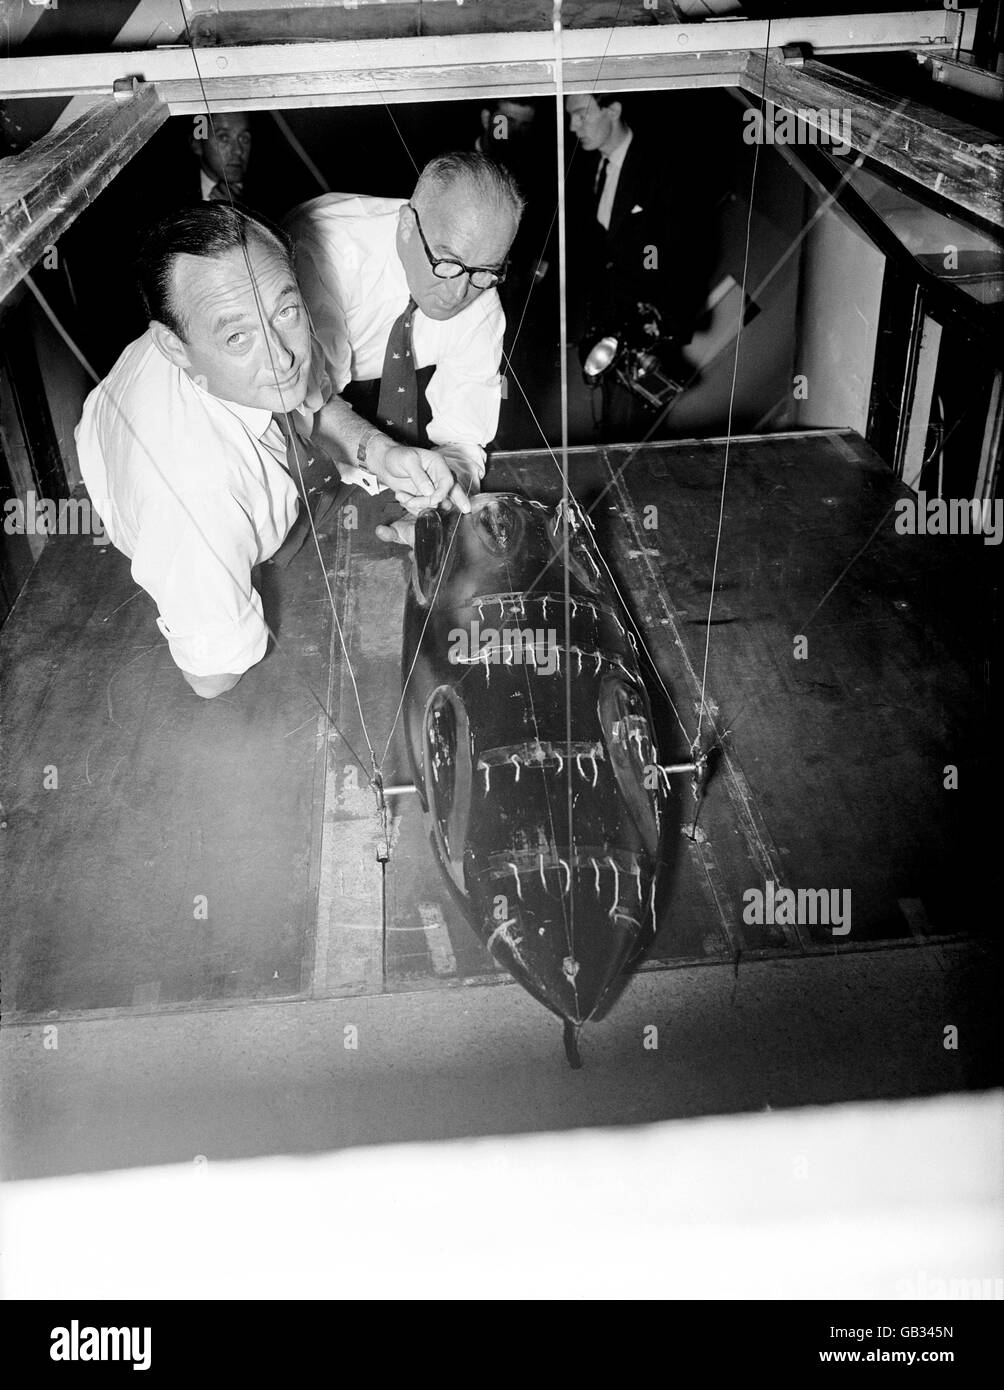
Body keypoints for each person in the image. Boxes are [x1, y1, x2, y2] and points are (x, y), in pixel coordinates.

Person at [75, 203, 456, 699]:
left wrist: (383, 455)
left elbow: (309, 399)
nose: (281, 356)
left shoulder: (225, 335)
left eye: (286, 310)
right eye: (238, 336)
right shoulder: (199, 500)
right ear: (173, 348)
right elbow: (211, 678)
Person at [285, 151, 524, 537]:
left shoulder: (482, 300)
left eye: (485, 272)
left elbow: (464, 434)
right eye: (446, 261)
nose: (458, 292)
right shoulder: (322, 251)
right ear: (407, 226)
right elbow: (301, 402)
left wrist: (445, 499)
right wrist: (379, 453)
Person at [565, 93, 712, 441]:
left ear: (613, 110)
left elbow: (693, 253)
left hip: (644, 340)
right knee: (611, 425)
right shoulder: (589, 166)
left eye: (581, 115)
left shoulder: (663, 167)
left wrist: (662, 325)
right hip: (603, 328)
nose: (573, 126)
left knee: (632, 438)